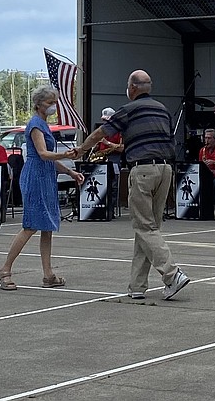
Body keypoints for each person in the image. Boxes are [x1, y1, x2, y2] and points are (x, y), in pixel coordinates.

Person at [72, 70, 191, 301]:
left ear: (133, 88)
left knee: (144, 227)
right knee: (148, 228)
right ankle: (137, 287)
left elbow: (100, 133)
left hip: (143, 170)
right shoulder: (163, 110)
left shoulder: (128, 110)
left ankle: (172, 274)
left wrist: (82, 150)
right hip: (165, 169)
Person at [0, 86, 84, 291]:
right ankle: (5, 270)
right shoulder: (35, 125)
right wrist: (67, 155)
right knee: (31, 225)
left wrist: (70, 172)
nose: (53, 106)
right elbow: (43, 154)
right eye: (49, 102)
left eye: (54, 102)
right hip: (35, 177)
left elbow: (50, 161)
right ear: (39, 104)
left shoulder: (44, 124)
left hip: (46, 177)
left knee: (47, 227)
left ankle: (48, 275)